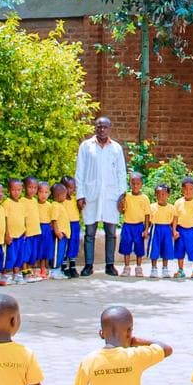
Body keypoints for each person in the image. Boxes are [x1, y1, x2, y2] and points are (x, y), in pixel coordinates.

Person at [76, 117, 128, 276]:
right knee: (90, 232)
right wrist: (80, 194)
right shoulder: (86, 146)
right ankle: (88, 265)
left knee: (111, 233)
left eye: (105, 127)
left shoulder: (116, 148)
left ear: (109, 128)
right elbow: (80, 172)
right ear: (95, 128)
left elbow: (121, 173)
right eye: (99, 127)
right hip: (91, 194)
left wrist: (122, 195)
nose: (102, 130)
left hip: (111, 196)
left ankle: (110, 265)